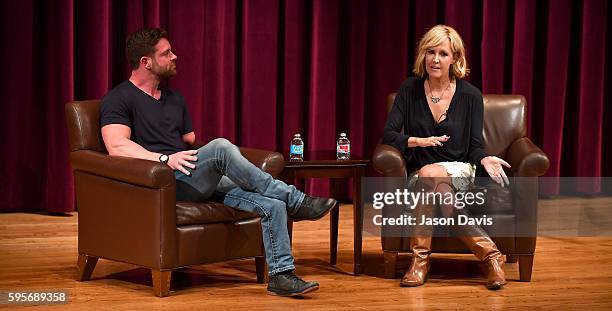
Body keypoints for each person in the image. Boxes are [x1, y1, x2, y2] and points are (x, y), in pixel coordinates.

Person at [100, 28, 337, 297]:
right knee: (222, 147)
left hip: (190, 175)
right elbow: (116, 145)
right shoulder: (119, 98)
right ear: (146, 62)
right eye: (166, 53)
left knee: (272, 204)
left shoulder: (174, 98)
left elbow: (189, 139)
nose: (175, 56)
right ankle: (296, 200)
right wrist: (165, 158)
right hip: (161, 182)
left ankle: (282, 276)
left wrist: (187, 154)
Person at [382, 25, 510, 290]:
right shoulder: (409, 90)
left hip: (460, 170)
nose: (435, 59)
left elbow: (474, 146)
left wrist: (485, 158)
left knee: (433, 175)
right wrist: (417, 141)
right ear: (423, 55)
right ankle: (492, 257)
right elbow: (389, 135)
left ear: (455, 59)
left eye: (443, 53)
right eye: (430, 52)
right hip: (421, 174)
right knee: (435, 183)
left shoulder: (471, 96)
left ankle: (419, 262)